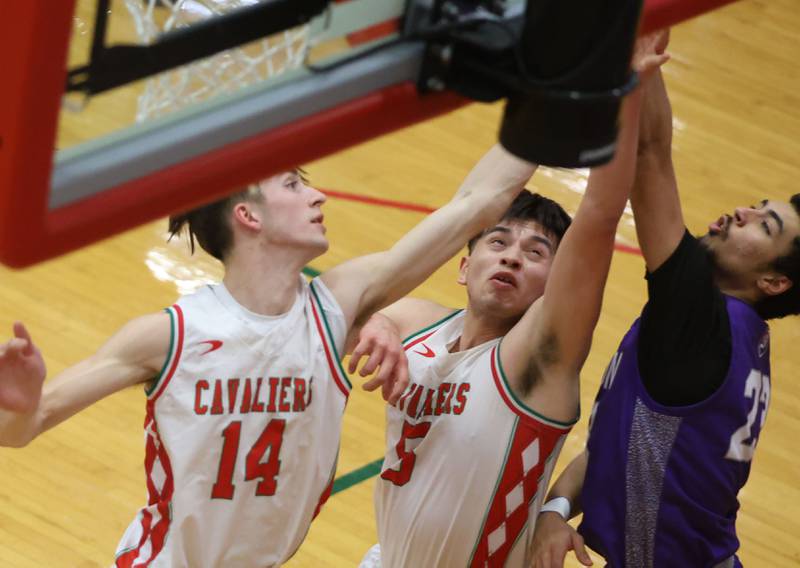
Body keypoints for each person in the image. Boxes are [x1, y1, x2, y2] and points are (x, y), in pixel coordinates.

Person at [0, 144, 540, 567]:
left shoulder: (336, 306)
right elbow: (25, 427)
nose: (317, 197)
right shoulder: (168, 336)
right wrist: (20, 403)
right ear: (248, 216)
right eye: (293, 185)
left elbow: (478, 202)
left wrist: (558, 90)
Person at [352, 35, 669, 568]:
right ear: (463, 265)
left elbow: (598, 214)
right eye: (498, 243)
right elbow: (378, 299)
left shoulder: (537, 359)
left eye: (537, 251)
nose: (512, 257)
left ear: (556, 285)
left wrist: (625, 89)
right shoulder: (424, 325)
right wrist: (379, 322)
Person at [530, 36, 800, 568]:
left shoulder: (701, 321)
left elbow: (650, 156)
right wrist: (556, 509)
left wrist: (639, 56)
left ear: (773, 282)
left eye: (764, 226)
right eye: (757, 205)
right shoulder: (735, 333)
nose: (743, 211)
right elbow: (617, 449)